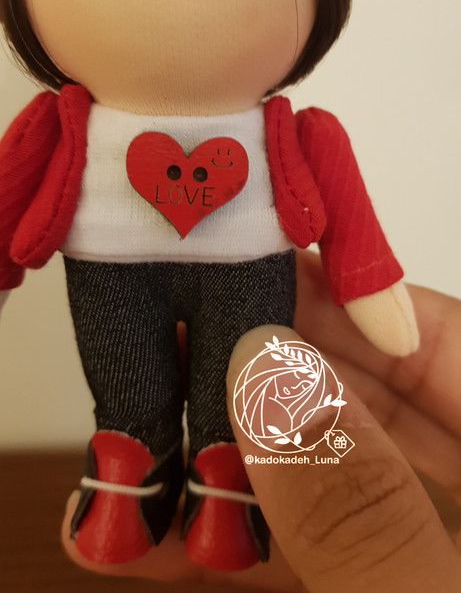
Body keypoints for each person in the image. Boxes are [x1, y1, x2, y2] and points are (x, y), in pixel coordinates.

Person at [61, 250, 461, 592]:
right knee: (156, 403)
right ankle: (150, 485)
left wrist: (365, 272)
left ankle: (194, 494)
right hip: (227, 257)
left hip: (150, 257)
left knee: (216, 407)